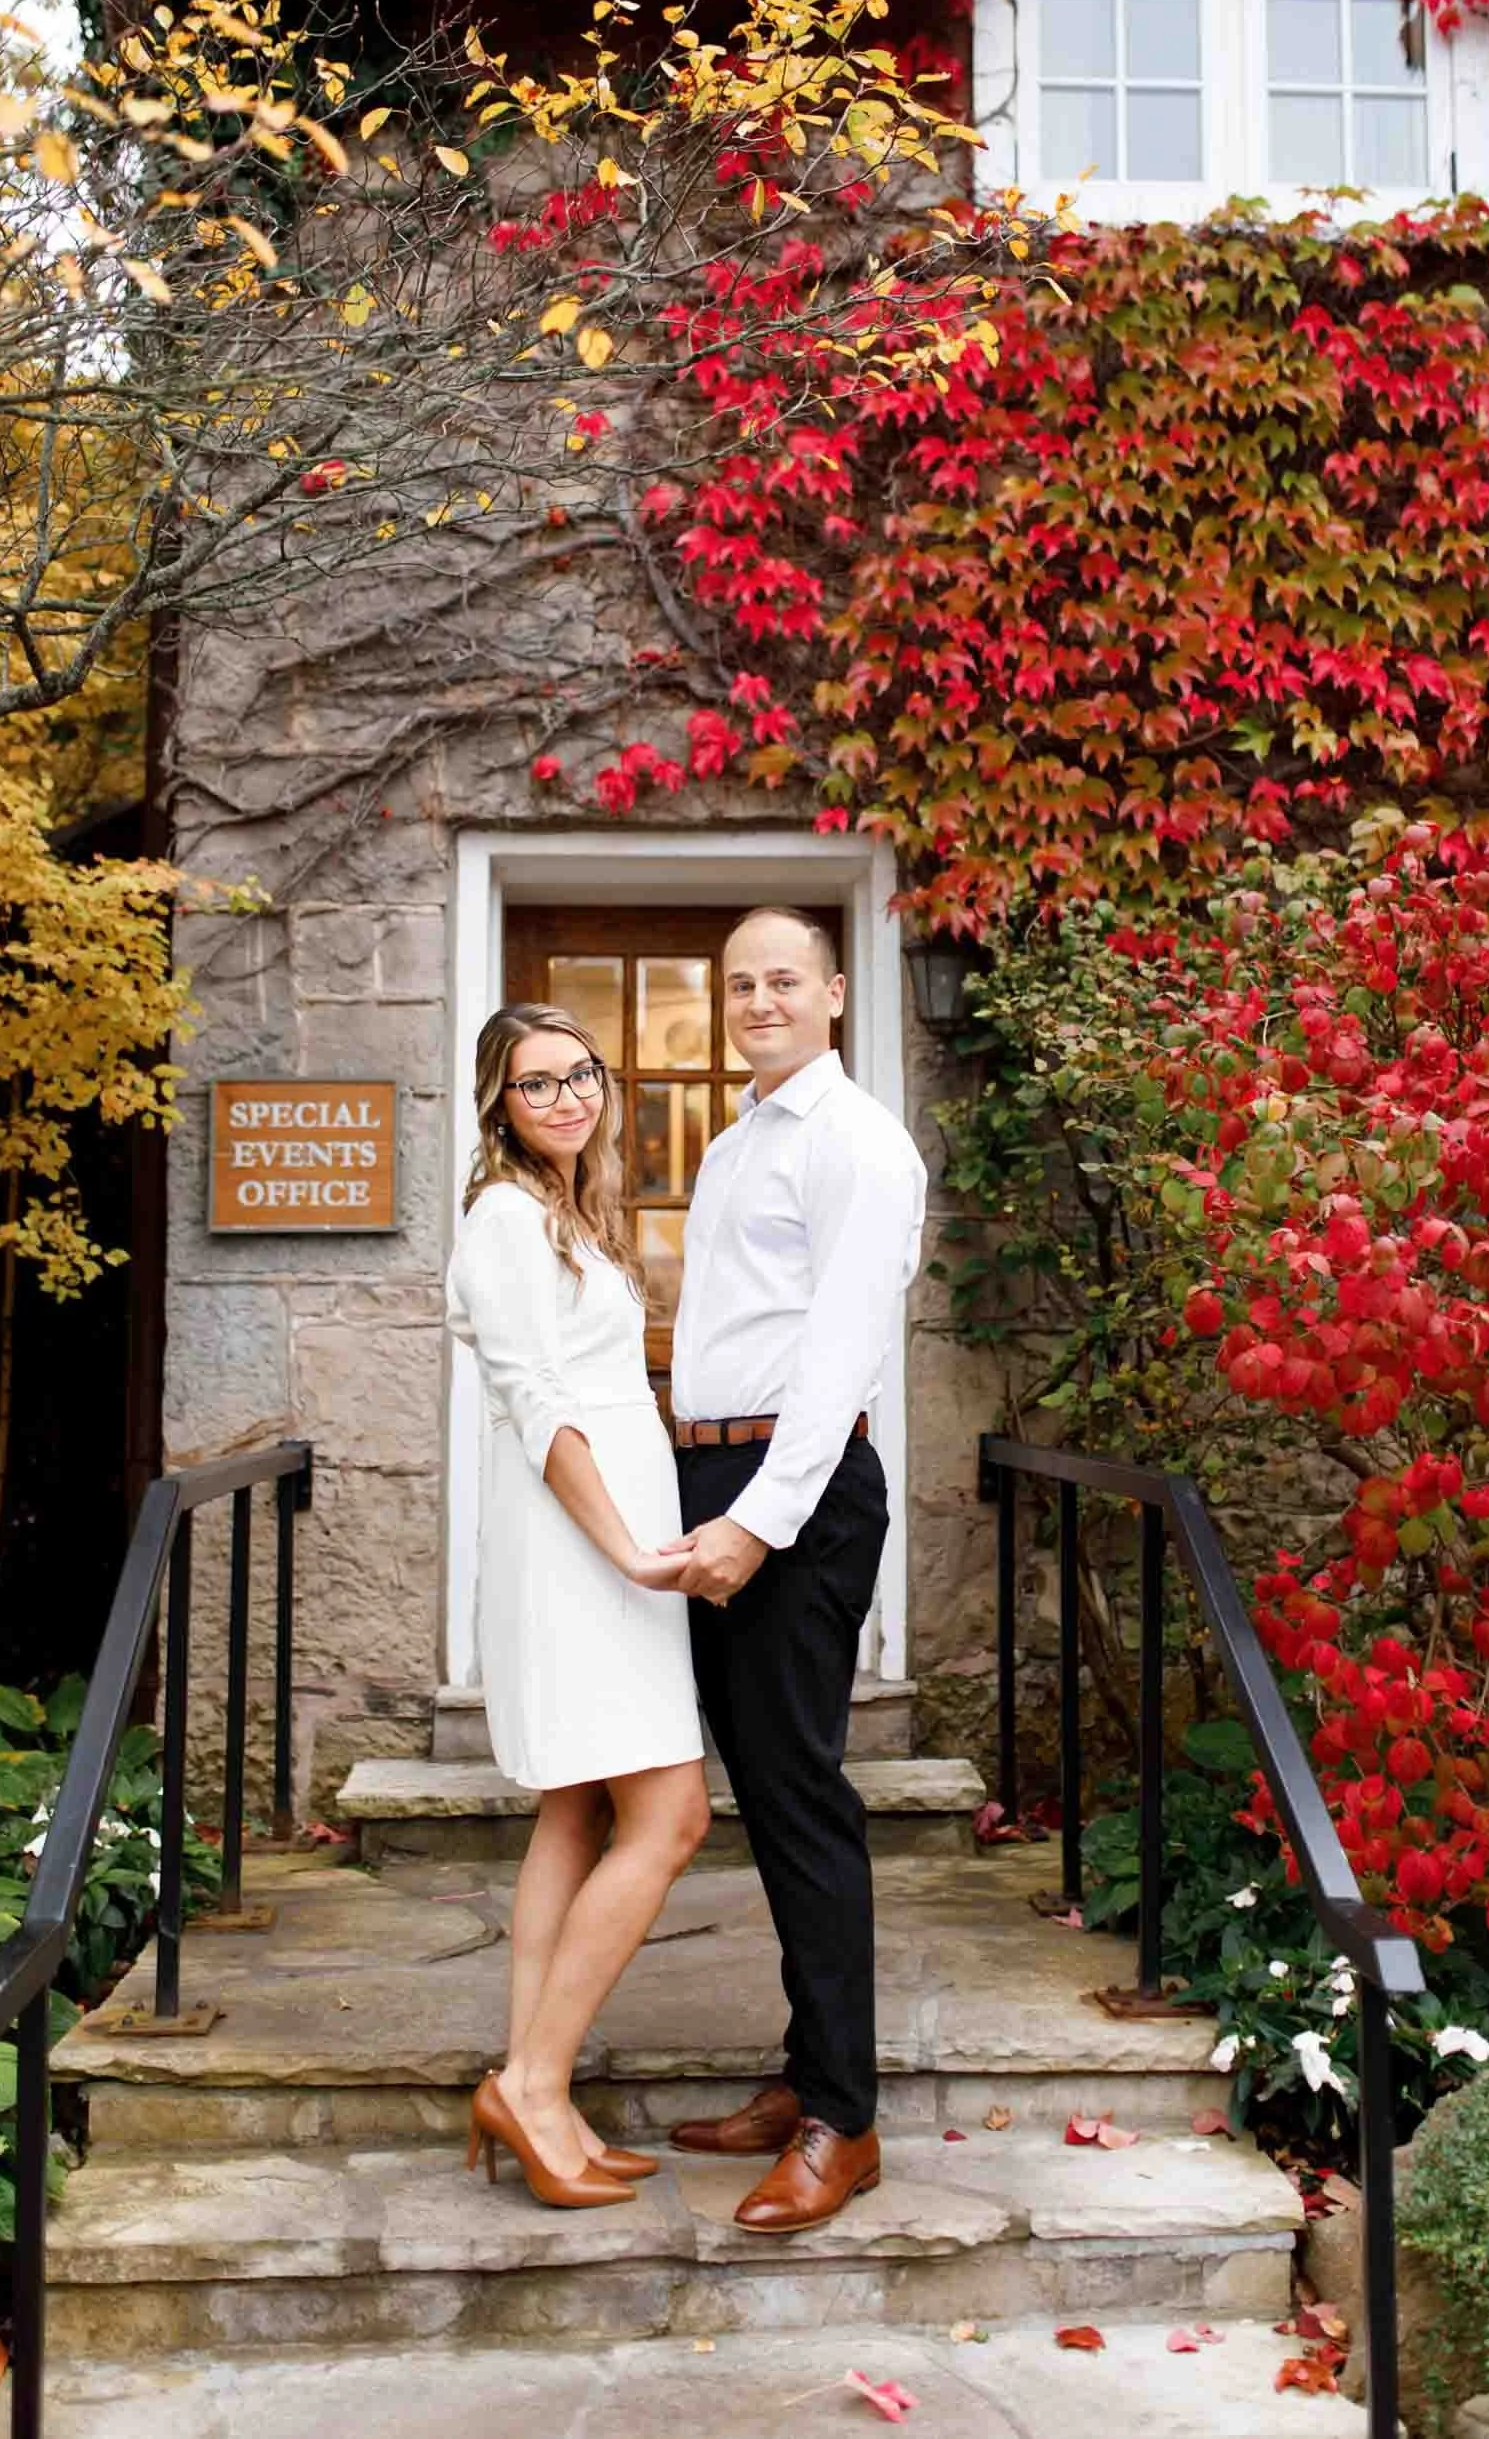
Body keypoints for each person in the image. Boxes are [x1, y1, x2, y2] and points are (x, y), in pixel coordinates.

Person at [661, 906, 927, 2234]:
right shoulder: (733, 1143)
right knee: (763, 1796)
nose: (758, 998)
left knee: (801, 1796)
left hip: (796, 1493)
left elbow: (834, 1359)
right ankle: (803, 2070)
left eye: (782, 979)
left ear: (832, 993)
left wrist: (758, 1523)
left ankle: (843, 2122)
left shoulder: (858, 1149)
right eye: (739, 983)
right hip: (719, 1475)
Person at [445, 1003, 710, 2212]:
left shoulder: (569, 1216)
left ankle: (529, 2085)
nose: (564, 1097)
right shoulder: (503, 1219)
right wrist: (627, 1554)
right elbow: (541, 1404)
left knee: (574, 1808)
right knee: (670, 1816)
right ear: (497, 1103)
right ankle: (535, 2084)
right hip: (580, 1554)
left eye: (580, 1074)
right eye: (534, 1082)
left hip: (617, 1548)